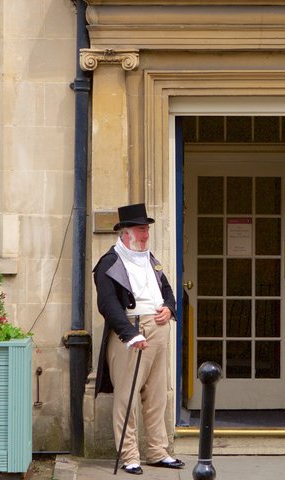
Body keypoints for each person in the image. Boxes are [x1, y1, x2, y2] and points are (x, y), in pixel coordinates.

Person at [94, 203, 185, 475]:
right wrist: (129, 334)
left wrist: (169, 308)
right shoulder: (109, 263)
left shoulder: (149, 258)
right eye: (141, 230)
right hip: (131, 332)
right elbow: (107, 304)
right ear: (125, 232)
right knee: (127, 397)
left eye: (146, 229)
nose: (146, 235)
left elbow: (168, 290)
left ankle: (157, 451)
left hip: (158, 329)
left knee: (157, 396)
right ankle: (129, 455)